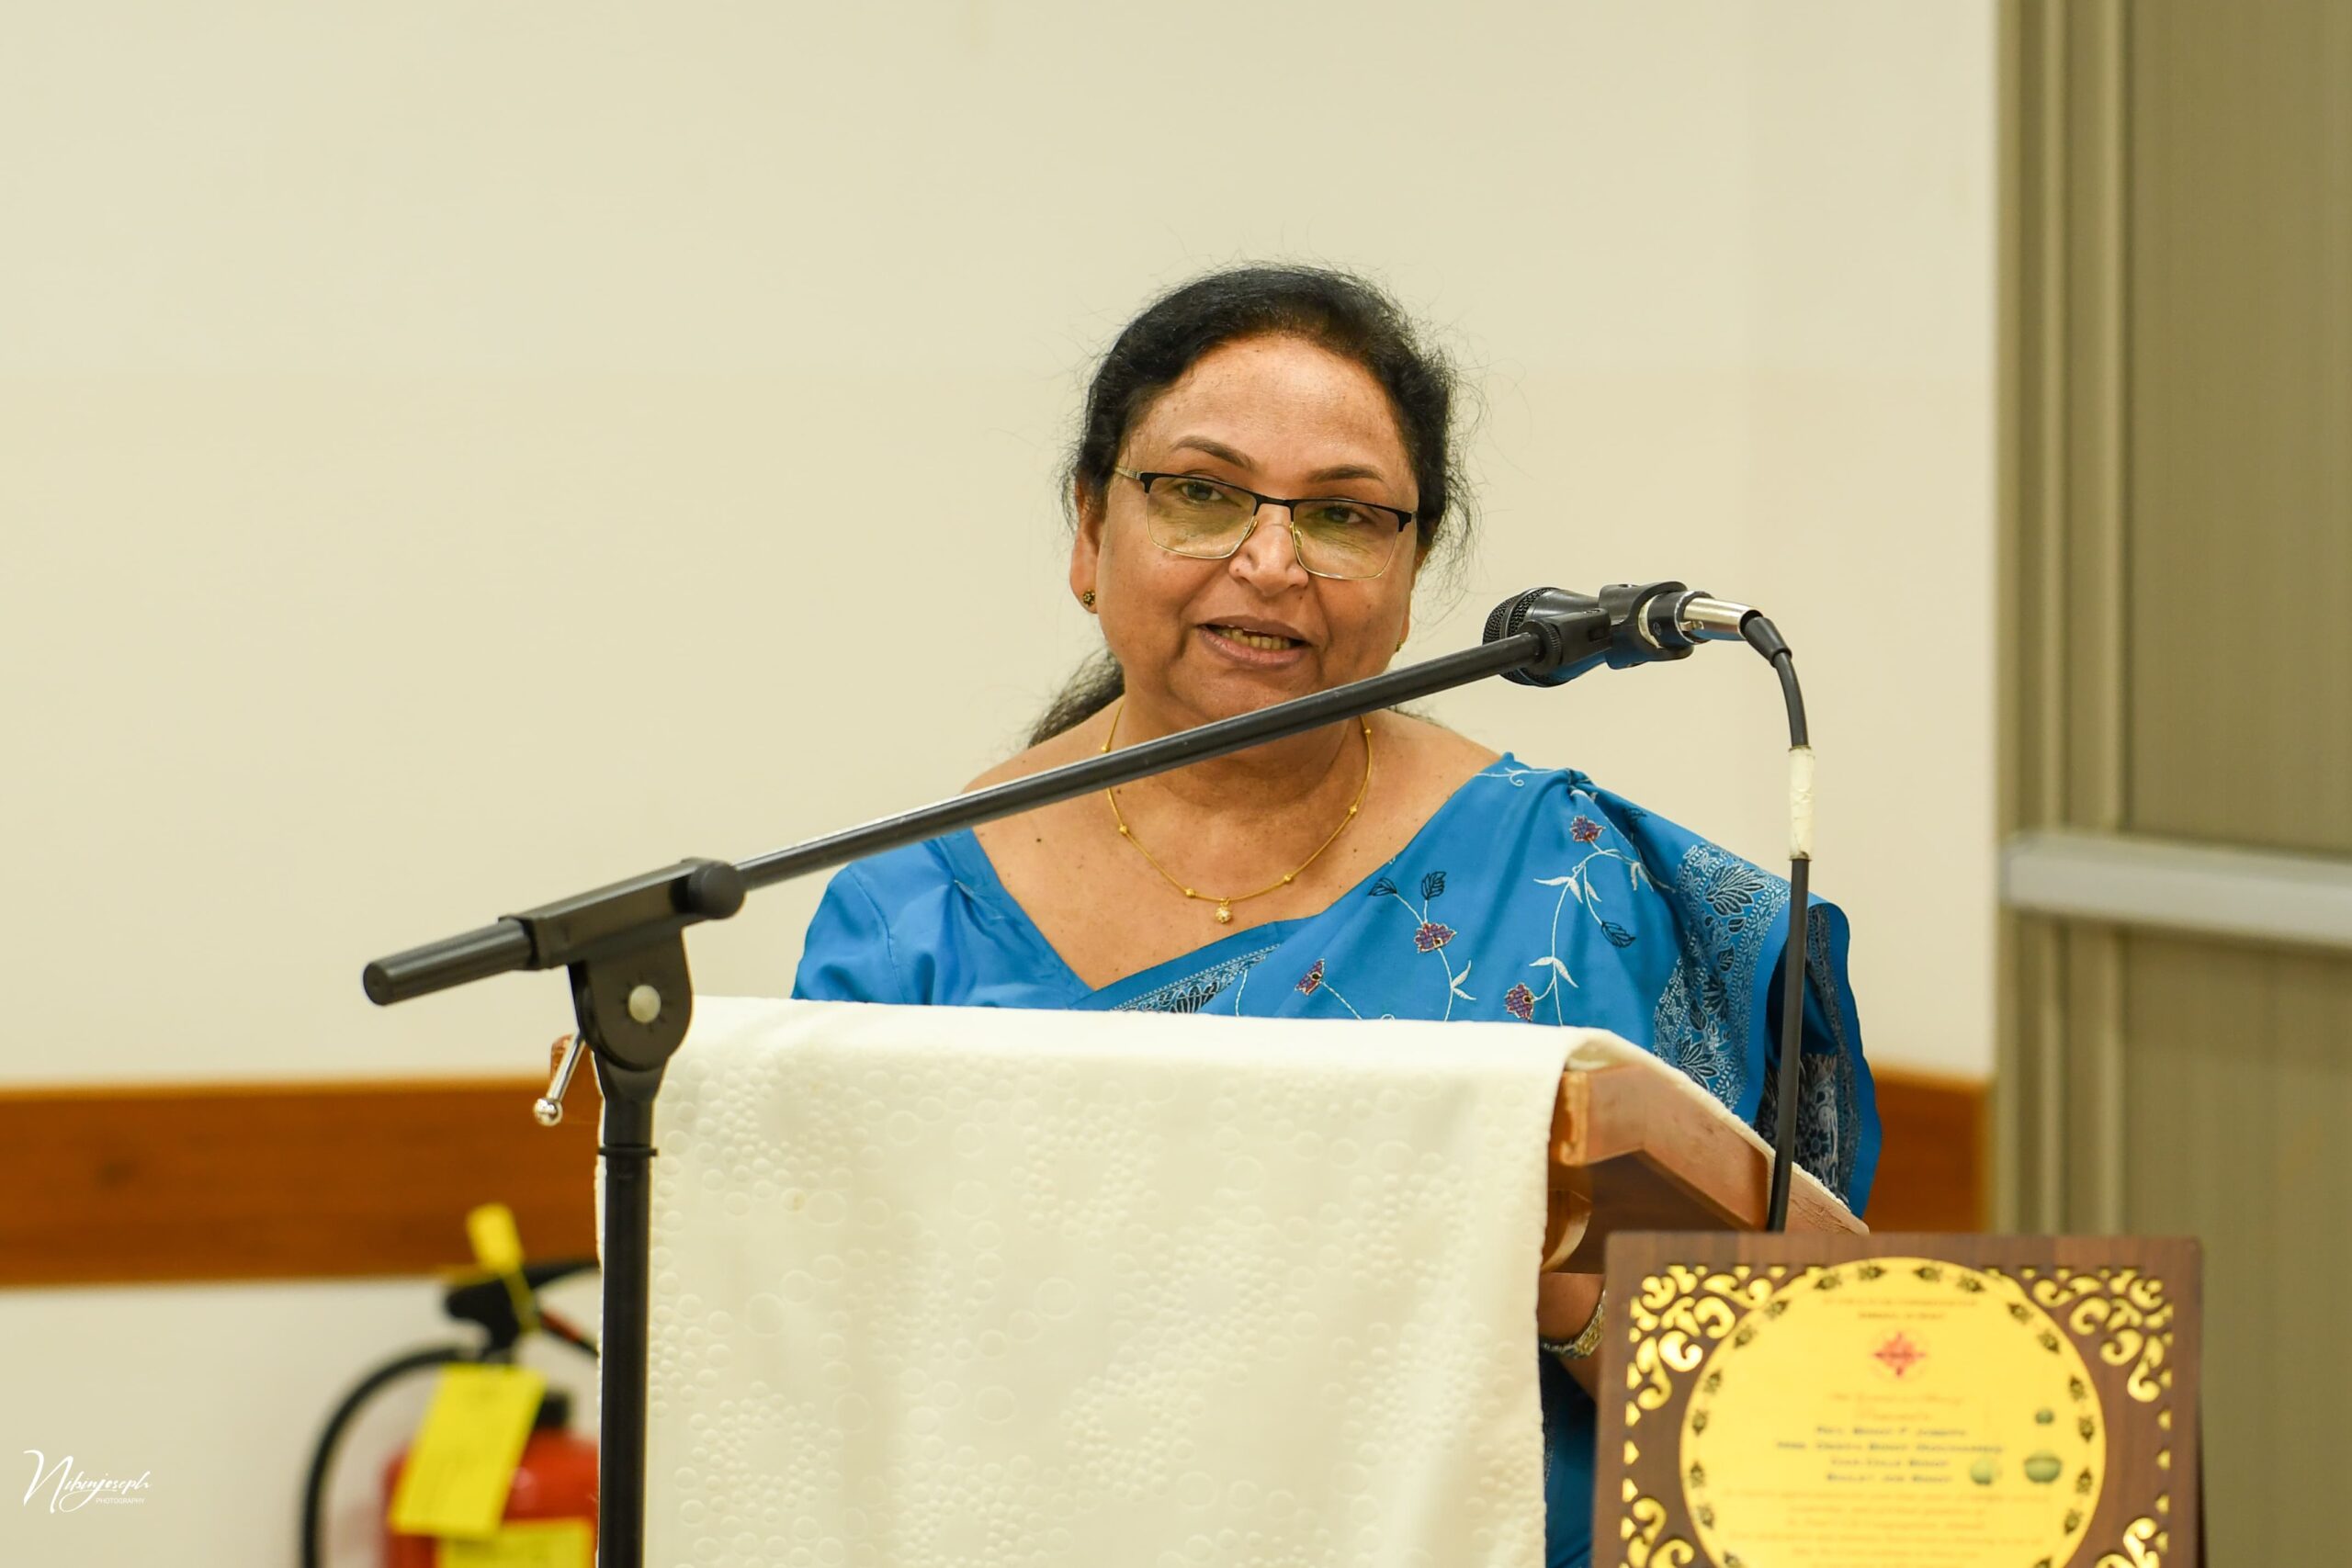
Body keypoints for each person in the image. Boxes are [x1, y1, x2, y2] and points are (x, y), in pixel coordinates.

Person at [793, 265, 1879, 1568]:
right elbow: (828, 1397)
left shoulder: (1567, 885)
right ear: (1089, 532)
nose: (1270, 562)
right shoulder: (912, 915)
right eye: (1202, 493)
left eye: (1344, 516)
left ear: (1410, 572)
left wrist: (1573, 1292)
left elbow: (1821, 1392)